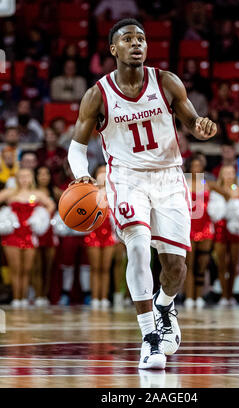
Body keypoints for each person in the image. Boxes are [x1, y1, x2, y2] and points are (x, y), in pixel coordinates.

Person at [67, 18, 217, 370]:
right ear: (113, 49)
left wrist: (201, 126)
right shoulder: (97, 94)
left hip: (168, 177)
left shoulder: (166, 82)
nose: (137, 44)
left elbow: (191, 119)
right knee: (136, 244)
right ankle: (149, 336)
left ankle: (165, 305)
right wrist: (84, 177)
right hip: (127, 177)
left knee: (176, 267)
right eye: (128, 39)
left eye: (142, 39)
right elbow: (76, 148)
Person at [0, 168, 55, 308]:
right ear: (17, 178)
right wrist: (5, 216)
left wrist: (41, 216)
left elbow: (51, 205)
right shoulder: (10, 193)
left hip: (29, 235)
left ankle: (23, 298)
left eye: (27, 176)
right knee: (15, 268)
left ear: (32, 178)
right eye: (22, 176)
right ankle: (16, 298)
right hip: (12, 235)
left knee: (27, 269)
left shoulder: (37, 194)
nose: (24, 179)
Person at [84, 165, 117, 310]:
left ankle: (104, 298)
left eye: (106, 172)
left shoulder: (115, 192)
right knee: (95, 268)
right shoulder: (89, 192)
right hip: (93, 234)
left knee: (105, 268)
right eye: (100, 172)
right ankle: (94, 297)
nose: (103, 175)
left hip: (109, 234)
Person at [214, 165, 239, 306]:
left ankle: (230, 295)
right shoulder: (217, 190)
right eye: (226, 173)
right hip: (220, 228)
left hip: (234, 229)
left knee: (233, 264)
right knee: (221, 264)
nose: (229, 176)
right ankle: (223, 295)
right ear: (221, 175)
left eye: (231, 173)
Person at [184, 153, 214, 310]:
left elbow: (228, 191)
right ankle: (189, 296)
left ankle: (199, 296)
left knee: (202, 264)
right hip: (189, 226)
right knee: (189, 263)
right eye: (194, 166)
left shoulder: (207, 183)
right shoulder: (184, 183)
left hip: (206, 226)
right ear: (190, 167)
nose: (197, 169)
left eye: (199, 166)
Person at [33, 166, 61, 306]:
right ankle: (38, 295)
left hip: (51, 231)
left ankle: (46, 295)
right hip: (36, 233)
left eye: (46, 174)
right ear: (36, 176)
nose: (43, 177)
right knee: (36, 266)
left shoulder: (54, 191)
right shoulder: (32, 192)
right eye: (40, 174)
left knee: (49, 266)